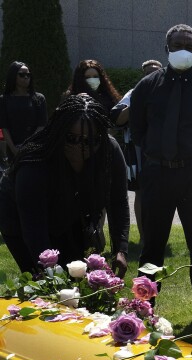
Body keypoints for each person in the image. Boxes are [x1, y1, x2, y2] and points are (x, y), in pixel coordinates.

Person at [129, 23, 192, 325]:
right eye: (177, 44)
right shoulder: (148, 86)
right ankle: (144, 307)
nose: (183, 49)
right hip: (158, 173)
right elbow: (137, 128)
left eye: (189, 45)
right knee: (152, 244)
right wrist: (157, 153)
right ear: (167, 48)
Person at [0, 94, 129, 274]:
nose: (80, 147)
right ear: (59, 132)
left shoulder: (109, 151)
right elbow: (33, 227)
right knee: (44, 283)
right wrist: (51, 271)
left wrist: (120, 249)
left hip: (71, 217)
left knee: (79, 276)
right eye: (71, 138)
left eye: (89, 141)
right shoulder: (35, 162)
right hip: (21, 222)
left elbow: (118, 202)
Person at [109, 59, 163, 238]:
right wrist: (137, 101)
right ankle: (143, 236)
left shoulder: (169, 92)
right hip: (139, 152)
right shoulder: (134, 93)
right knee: (141, 192)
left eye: (156, 72)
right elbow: (117, 118)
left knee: (162, 194)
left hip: (164, 151)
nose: (152, 75)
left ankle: (158, 235)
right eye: (148, 73)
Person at [0, 61, 47, 158]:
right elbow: (4, 127)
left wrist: (28, 145)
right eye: (22, 75)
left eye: (28, 74)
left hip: (34, 149)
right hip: (13, 150)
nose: (26, 77)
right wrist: (14, 149)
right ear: (13, 76)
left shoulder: (39, 98)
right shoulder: (4, 99)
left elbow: (42, 125)